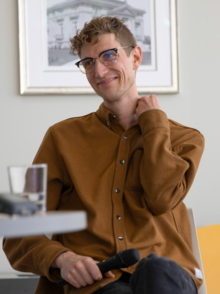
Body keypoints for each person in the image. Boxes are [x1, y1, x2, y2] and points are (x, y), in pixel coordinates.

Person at [3, 16, 205, 294]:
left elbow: (161, 200)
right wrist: (63, 259)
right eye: (88, 62)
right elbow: (16, 228)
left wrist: (155, 124)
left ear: (136, 57)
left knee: (156, 269)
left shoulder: (186, 138)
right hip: (99, 283)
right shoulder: (59, 137)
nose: (98, 70)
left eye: (109, 55)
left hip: (169, 278)